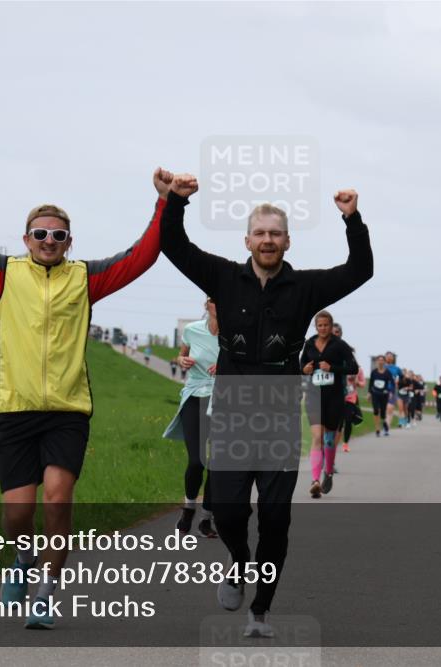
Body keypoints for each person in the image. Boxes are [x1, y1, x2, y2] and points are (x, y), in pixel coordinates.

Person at [0, 163, 171, 629]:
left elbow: (142, 255)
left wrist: (164, 200)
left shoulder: (85, 278)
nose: (49, 242)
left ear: (69, 243)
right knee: (17, 514)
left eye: (58, 236)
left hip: (67, 410)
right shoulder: (2, 275)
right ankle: (23, 557)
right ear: (25, 238)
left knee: (58, 499)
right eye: (40, 234)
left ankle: (46, 592)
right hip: (14, 409)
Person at [160, 173, 372, 638]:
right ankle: (238, 561)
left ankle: (261, 610)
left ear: (288, 241)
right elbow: (173, 246)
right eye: (260, 233)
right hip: (234, 417)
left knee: (276, 520)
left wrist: (351, 219)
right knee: (231, 514)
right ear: (247, 240)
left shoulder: (306, 288)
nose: (268, 240)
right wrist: (175, 201)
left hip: (277, 420)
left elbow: (360, 270)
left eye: (276, 233)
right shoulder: (222, 276)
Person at [163, 297, 220, 539]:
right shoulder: (192, 330)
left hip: (223, 399)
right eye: (214, 300)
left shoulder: (237, 334)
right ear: (206, 305)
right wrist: (182, 360)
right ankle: (188, 509)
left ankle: (206, 519)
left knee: (218, 465)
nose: (218, 304)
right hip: (195, 396)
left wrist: (226, 365)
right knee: (197, 461)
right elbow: (181, 355)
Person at [300, 310, 358, 498]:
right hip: (314, 395)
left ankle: (329, 472)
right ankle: (315, 480)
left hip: (334, 397)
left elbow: (353, 368)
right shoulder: (309, 343)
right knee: (317, 437)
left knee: (329, 439)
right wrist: (305, 369)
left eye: (326, 325)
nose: (323, 328)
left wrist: (332, 368)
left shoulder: (340, 345)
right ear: (316, 327)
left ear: (331, 326)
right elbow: (301, 365)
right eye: (320, 325)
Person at [337, 346, 365, 453]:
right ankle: (334, 443)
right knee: (338, 423)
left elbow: (363, 383)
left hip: (351, 397)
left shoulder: (358, 369)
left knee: (348, 420)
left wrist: (356, 381)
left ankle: (345, 443)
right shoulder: (338, 366)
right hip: (338, 397)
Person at [369, 356, 395, 437]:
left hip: (384, 394)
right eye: (379, 360)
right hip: (375, 394)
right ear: (377, 362)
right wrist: (369, 393)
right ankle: (377, 429)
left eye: (382, 360)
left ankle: (384, 423)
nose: (380, 362)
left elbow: (393, 383)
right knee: (376, 410)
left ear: (384, 362)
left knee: (383, 413)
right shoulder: (374, 372)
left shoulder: (387, 373)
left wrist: (391, 392)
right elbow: (371, 383)